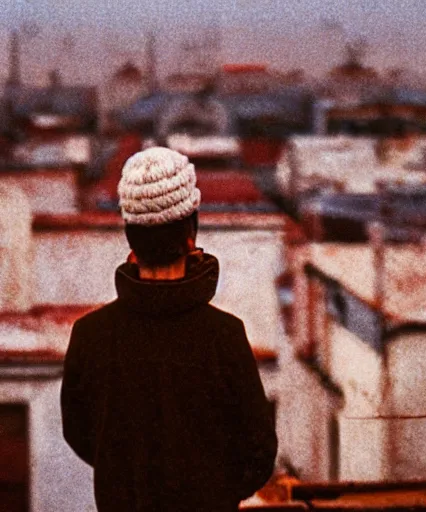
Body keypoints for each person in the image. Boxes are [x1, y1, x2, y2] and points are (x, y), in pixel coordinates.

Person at [61, 147, 277, 512]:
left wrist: (127, 475)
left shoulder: (90, 335)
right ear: (190, 234)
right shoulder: (224, 336)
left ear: (130, 238)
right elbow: (258, 451)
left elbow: (80, 434)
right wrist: (215, 494)